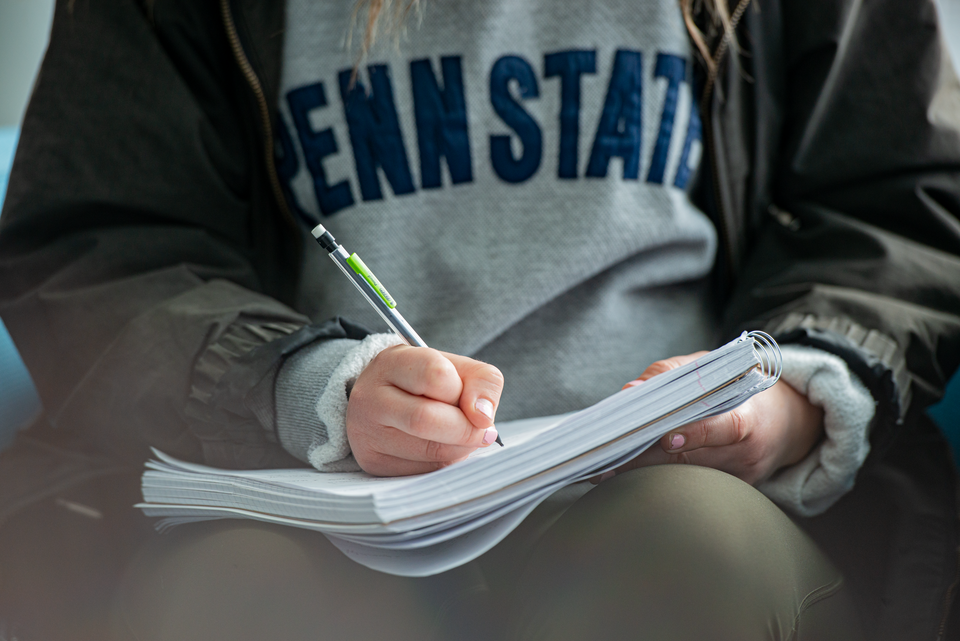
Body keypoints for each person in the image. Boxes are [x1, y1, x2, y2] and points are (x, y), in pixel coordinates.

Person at [0, 0, 958, 638]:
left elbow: (898, 207)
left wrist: (791, 397)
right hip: (319, 498)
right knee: (236, 594)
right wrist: (302, 384)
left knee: (682, 545)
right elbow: (101, 243)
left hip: (693, 493)